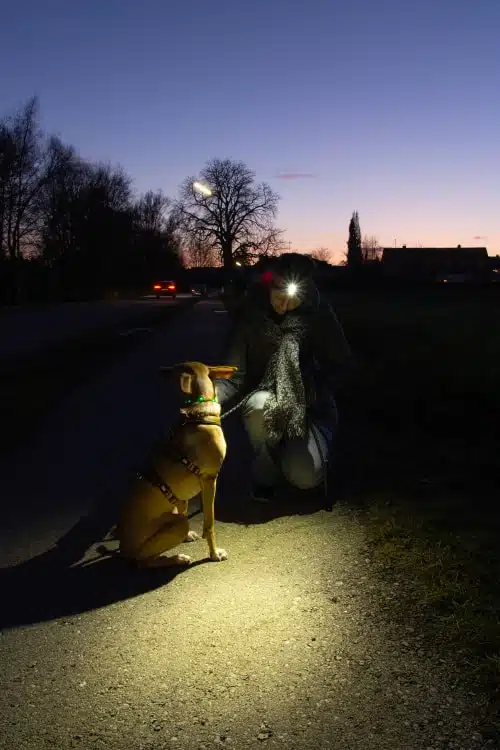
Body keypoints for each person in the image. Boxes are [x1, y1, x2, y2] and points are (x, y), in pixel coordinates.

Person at [214, 253, 353, 503]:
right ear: (270, 284)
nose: (284, 305)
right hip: (266, 398)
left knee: (305, 477)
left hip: (308, 407)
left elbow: (341, 364)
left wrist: (317, 388)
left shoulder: (319, 314)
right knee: (258, 407)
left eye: (293, 299)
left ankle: (301, 454)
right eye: (279, 295)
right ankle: (266, 471)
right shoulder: (250, 316)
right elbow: (231, 373)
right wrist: (211, 397)